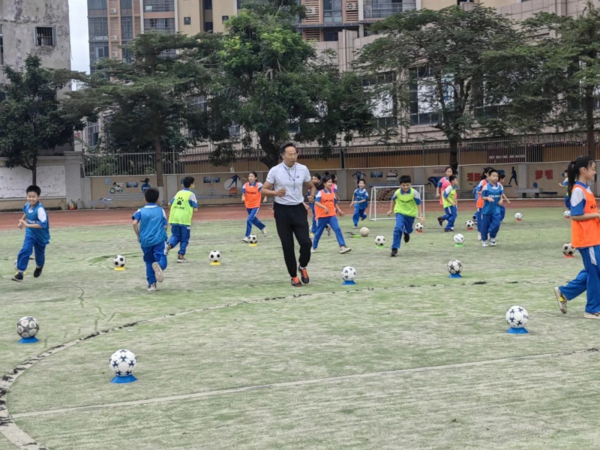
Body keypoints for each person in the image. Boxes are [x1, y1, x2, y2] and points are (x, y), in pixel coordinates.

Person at [261, 142, 316, 287]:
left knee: (306, 242)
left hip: (298, 209)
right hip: (282, 211)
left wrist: (311, 196)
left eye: (295, 154)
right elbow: (263, 190)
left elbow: (311, 186)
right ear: (283, 155)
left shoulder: (303, 169)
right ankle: (293, 276)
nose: (293, 157)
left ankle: (302, 266)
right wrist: (275, 193)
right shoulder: (275, 170)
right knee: (287, 245)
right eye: (290, 154)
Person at [555, 156, 600, 319]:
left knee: (593, 271)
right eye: (593, 168)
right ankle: (592, 309)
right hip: (587, 240)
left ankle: (564, 292)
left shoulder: (585, 189)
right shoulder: (578, 190)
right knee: (595, 273)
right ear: (584, 170)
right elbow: (575, 216)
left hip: (594, 237)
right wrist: (596, 214)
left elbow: (587, 212)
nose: (595, 171)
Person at [133, 188, 168, 292]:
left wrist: (138, 235)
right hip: (159, 240)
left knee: (149, 262)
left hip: (145, 241)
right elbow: (165, 226)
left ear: (145, 199)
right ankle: (159, 266)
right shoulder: (161, 210)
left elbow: (134, 222)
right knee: (162, 259)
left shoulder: (140, 211)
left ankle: (151, 285)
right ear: (157, 199)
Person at [12, 186, 50, 282]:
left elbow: (43, 225)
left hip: (41, 236)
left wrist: (27, 224)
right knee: (25, 249)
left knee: (39, 254)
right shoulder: (27, 205)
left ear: (38, 198)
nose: (31, 199)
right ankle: (20, 272)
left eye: (33, 197)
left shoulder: (40, 210)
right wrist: (21, 221)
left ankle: (39, 266)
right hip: (30, 233)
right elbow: (26, 212)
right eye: (29, 196)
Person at [387, 175, 425, 257]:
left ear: (410, 184)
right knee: (398, 228)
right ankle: (394, 248)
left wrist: (420, 215)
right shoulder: (397, 192)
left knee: (409, 229)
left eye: (407, 185)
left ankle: (407, 232)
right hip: (400, 212)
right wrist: (391, 209)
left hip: (410, 215)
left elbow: (418, 203)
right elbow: (393, 200)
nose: (405, 187)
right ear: (400, 185)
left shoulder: (414, 193)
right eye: (403, 185)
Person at [312, 175, 351, 254]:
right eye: (328, 182)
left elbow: (335, 203)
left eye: (331, 182)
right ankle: (313, 246)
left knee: (337, 229)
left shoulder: (332, 193)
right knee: (319, 232)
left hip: (331, 215)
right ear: (324, 183)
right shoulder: (320, 193)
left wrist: (339, 210)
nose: (330, 184)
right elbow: (316, 202)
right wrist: (324, 207)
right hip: (322, 216)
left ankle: (342, 246)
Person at [167, 177, 198, 263]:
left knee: (175, 236)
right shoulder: (191, 194)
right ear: (191, 184)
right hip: (184, 219)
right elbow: (195, 208)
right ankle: (180, 256)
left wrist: (173, 211)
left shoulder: (178, 193)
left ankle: (168, 245)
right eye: (194, 183)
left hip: (174, 218)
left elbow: (169, 203)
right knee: (184, 239)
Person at [479, 169, 504, 247]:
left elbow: (501, 195)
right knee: (485, 226)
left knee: (497, 224)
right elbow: (482, 197)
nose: (496, 178)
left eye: (497, 176)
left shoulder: (500, 186)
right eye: (493, 176)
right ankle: (484, 240)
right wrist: (488, 198)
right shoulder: (486, 187)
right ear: (489, 177)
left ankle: (492, 237)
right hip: (487, 210)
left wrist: (501, 199)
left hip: (496, 209)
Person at [241, 171, 267, 242]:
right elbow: (243, 192)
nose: (250, 177)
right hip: (248, 205)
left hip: (255, 205)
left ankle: (247, 236)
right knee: (253, 219)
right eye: (249, 176)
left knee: (249, 219)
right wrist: (243, 197)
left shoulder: (259, 185)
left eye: (252, 176)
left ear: (256, 178)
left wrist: (265, 197)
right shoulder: (245, 185)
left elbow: (264, 191)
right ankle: (262, 227)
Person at [474, 167, 493, 240]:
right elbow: (477, 191)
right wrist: (485, 193)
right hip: (481, 204)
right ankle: (480, 233)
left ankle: (488, 233)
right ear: (485, 174)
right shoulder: (482, 182)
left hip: (490, 205)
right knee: (480, 220)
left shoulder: (495, 183)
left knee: (489, 220)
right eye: (489, 173)